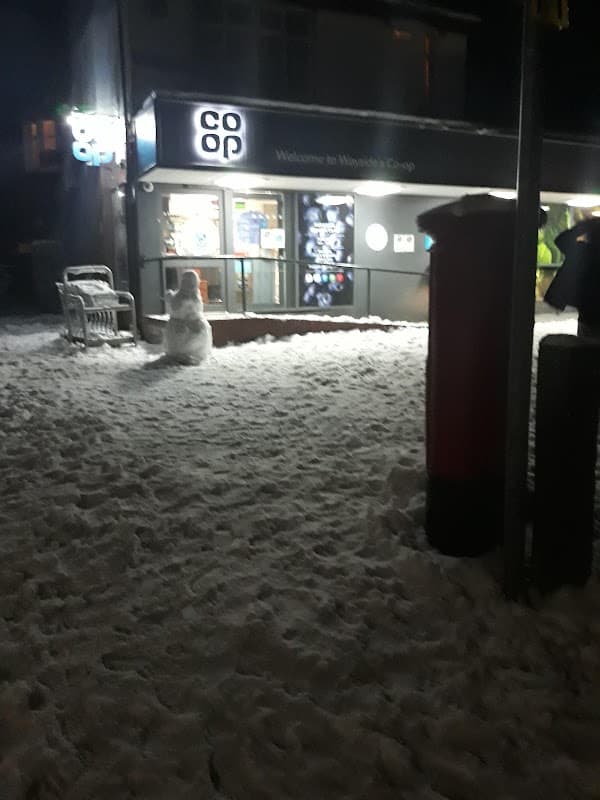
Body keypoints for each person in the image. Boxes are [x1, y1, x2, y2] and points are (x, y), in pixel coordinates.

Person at [544, 218, 600, 339]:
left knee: (587, 345)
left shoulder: (584, 251)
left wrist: (583, 226)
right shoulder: (585, 251)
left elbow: (561, 240)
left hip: (588, 310)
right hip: (589, 310)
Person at [164, 270, 212, 364]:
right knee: (183, 334)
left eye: (192, 283)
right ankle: (181, 354)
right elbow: (176, 311)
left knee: (200, 330)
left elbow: (198, 310)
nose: (189, 285)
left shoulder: (196, 295)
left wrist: (196, 319)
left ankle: (194, 354)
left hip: (194, 323)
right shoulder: (178, 297)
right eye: (186, 282)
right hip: (180, 324)